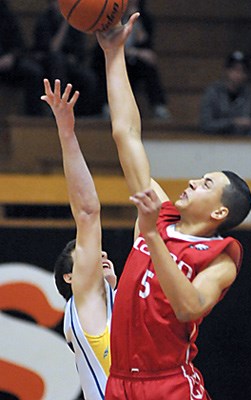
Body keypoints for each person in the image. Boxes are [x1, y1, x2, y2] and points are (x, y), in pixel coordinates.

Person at [96, 14, 251, 400]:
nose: (192, 182)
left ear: (219, 213)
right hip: (119, 382)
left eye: (206, 184)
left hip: (169, 385)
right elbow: (127, 134)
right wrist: (114, 55)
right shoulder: (160, 213)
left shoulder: (221, 257)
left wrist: (151, 234)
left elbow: (189, 307)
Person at [41, 78, 117, 399]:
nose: (99, 254)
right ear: (71, 277)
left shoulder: (121, 298)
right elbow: (87, 211)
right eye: (84, 253)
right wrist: (67, 132)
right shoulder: (84, 300)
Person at [91, 0, 171, 120]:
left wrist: (135, 20)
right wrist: (134, 52)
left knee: (148, 66)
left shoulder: (146, 19)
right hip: (112, 59)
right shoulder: (110, 17)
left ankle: (159, 106)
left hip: (133, 63)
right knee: (103, 66)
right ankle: (106, 105)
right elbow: (103, 46)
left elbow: (145, 45)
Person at [33, 0, 98, 117]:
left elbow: (80, 51)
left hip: (70, 63)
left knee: (89, 78)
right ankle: (59, 110)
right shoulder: (44, 20)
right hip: (48, 64)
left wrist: (74, 58)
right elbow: (52, 48)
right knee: (57, 62)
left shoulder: (75, 21)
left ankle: (84, 116)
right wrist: (64, 24)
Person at [199, 50, 251, 136]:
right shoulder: (213, 93)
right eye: (235, 69)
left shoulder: (250, 95)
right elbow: (206, 124)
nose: (238, 74)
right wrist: (233, 122)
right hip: (215, 142)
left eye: (243, 71)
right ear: (227, 71)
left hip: (243, 143)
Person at [0, 0, 44, 116]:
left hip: (7, 63)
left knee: (34, 72)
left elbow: (19, 44)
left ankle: (34, 119)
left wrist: (11, 56)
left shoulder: (4, 14)